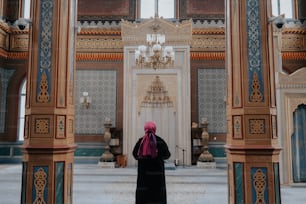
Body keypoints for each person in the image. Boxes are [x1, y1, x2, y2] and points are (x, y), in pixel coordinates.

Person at [133, 121, 171, 204]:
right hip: (157, 177)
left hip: (144, 177)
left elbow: (135, 155)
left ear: (145, 129)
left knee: (144, 197)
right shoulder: (160, 141)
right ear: (154, 129)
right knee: (157, 196)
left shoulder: (140, 142)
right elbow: (167, 155)